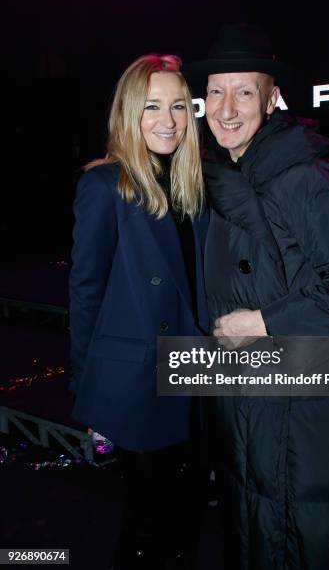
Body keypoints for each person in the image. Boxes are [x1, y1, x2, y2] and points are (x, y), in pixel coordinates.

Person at [186, 24, 329, 569]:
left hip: (308, 406)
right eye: (215, 93)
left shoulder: (307, 173)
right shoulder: (224, 168)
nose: (227, 108)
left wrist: (262, 322)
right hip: (251, 400)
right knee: (256, 530)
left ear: (272, 96)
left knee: (314, 536)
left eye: (244, 92)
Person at [69, 54, 208, 570]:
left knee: (185, 518)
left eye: (177, 106)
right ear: (128, 111)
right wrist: (88, 393)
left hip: (194, 375)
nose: (167, 120)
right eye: (152, 106)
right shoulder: (107, 185)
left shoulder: (193, 183)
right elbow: (86, 291)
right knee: (150, 525)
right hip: (137, 381)